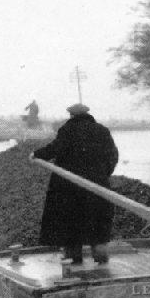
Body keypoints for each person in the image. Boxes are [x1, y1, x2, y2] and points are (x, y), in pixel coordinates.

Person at [29, 103, 118, 264]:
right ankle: (100, 254)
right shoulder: (102, 131)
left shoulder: (67, 130)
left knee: (71, 223)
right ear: (88, 115)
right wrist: (102, 175)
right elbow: (112, 156)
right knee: (97, 222)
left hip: (69, 189)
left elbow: (54, 149)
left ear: (71, 116)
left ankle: (74, 258)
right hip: (97, 187)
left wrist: (36, 154)